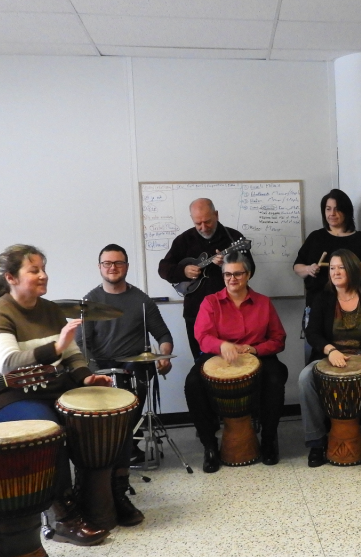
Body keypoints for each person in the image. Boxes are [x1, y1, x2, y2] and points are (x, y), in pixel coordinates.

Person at [0, 244, 113, 545]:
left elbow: (73, 354)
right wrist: (56, 347)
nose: (43, 275)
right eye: (34, 270)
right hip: (7, 396)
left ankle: (100, 501)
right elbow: (9, 364)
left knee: (99, 417)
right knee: (49, 429)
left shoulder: (50, 309)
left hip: (52, 388)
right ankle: (61, 516)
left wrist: (86, 376)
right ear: (10, 277)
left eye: (43, 268)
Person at [77, 243, 176, 523]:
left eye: (118, 263)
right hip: (101, 368)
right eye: (107, 263)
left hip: (135, 365)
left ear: (126, 266)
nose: (112, 268)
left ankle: (126, 446)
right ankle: (116, 454)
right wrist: (95, 373)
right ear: (100, 267)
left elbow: (163, 334)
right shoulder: (89, 302)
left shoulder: (141, 301)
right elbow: (81, 345)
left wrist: (165, 355)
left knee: (135, 380)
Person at [186, 251, 288, 472]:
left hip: (257, 356)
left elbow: (278, 339)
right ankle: (210, 446)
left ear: (248, 274)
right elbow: (202, 337)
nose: (232, 279)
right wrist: (222, 345)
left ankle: (269, 441)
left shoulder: (263, 303)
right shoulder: (210, 302)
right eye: (227, 275)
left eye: (238, 274)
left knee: (275, 378)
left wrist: (255, 349)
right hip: (218, 357)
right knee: (193, 383)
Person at [300, 250, 361, 467]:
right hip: (329, 357)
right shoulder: (322, 298)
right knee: (304, 378)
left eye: (341, 267)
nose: (335, 272)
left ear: (352, 269)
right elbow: (312, 333)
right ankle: (316, 442)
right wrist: (331, 350)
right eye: (332, 268)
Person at [294, 189, 361, 361]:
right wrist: (308, 269)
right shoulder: (316, 237)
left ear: (347, 212)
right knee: (315, 354)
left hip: (354, 306)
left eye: (337, 209)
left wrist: (351, 263)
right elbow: (297, 266)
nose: (332, 213)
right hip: (319, 305)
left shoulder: (359, 239)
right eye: (328, 209)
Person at [157, 198, 245, 359]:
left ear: (216, 215)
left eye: (208, 221)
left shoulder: (233, 238)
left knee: (233, 361)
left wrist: (227, 265)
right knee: (201, 363)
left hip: (230, 311)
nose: (203, 227)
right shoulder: (183, 240)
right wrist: (183, 271)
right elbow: (163, 269)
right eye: (198, 223)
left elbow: (250, 269)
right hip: (195, 313)